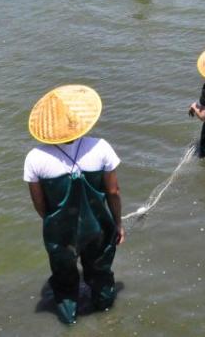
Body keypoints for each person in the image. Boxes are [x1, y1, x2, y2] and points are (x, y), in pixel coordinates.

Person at [23, 85, 124, 325]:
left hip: (61, 232)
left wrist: (56, 225)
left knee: (65, 279)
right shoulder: (101, 147)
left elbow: (40, 205)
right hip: (98, 227)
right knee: (100, 271)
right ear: (79, 121)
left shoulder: (35, 158)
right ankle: (107, 317)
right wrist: (118, 224)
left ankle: (69, 321)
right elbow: (113, 191)